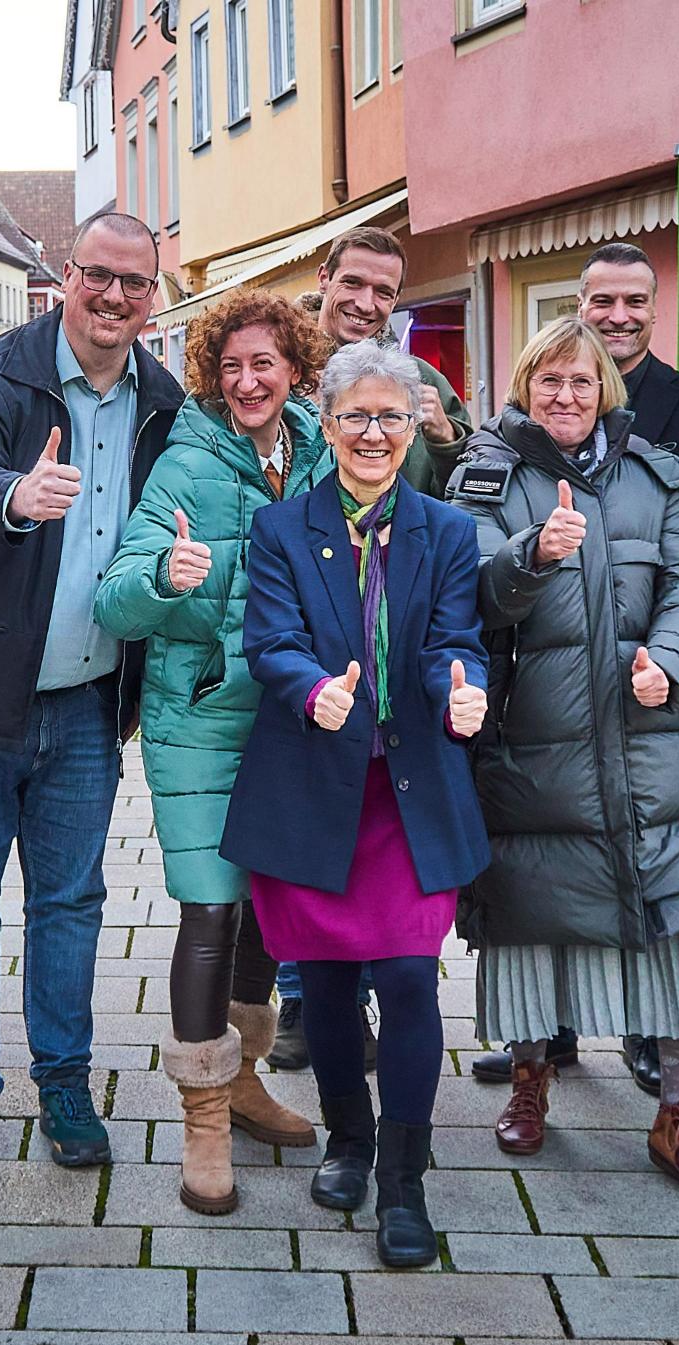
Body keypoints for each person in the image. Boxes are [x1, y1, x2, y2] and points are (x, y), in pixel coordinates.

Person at [450, 316, 679, 1209]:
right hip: (534, 737)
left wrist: (669, 659)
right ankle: (531, 1079)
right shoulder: (486, 472)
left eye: (581, 382)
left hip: (647, 741)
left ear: (607, 392)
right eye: (548, 380)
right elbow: (466, 587)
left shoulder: (654, 472)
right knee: (530, 914)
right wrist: (530, 556)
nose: (565, 396)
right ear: (524, 387)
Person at [0, 212, 184, 1184]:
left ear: (152, 295)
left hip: (84, 706)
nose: (112, 298)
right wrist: (13, 498)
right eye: (97, 277)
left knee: (69, 904)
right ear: (67, 275)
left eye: (133, 285)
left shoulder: (161, 399)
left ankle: (62, 1081)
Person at [222, 339, 491, 1268]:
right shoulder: (282, 529)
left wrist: (465, 687)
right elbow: (270, 640)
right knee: (329, 984)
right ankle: (348, 1139)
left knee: (410, 978)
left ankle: (404, 1185)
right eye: (357, 416)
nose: (375, 432)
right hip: (311, 785)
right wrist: (310, 688)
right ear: (326, 425)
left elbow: (455, 639)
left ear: (417, 424)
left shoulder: (447, 532)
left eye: (394, 415)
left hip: (407, 793)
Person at [93, 289, 333, 1214]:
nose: (247, 381)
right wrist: (164, 574)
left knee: (269, 910)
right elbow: (116, 600)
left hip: (292, 715)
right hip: (199, 714)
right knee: (209, 911)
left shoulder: (322, 449)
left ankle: (243, 1080)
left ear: (295, 369)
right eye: (230, 366)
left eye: (264, 363)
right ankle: (201, 1115)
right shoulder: (185, 464)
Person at [271, 224, 472, 1069]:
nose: (366, 302)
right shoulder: (277, 364)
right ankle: (304, 999)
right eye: (353, 283)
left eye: (385, 292)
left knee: (381, 853)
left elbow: (462, 485)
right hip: (295, 634)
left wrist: (445, 436)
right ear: (325, 278)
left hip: (391, 644)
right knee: (301, 843)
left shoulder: (420, 381)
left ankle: (365, 1000)